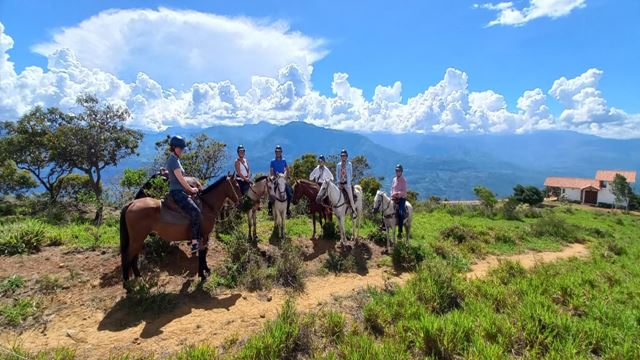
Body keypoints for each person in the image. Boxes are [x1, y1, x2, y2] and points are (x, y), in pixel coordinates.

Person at [166, 136, 201, 254]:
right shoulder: (173, 160)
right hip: (177, 192)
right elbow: (181, 180)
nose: (181, 150)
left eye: (182, 148)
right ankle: (195, 242)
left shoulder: (176, 159)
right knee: (196, 212)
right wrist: (191, 189)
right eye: (179, 148)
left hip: (180, 190)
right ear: (173, 147)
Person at [269, 145, 293, 217]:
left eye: (279, 152)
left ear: (281, 152)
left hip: (283, 179)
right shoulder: (272, 161)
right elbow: (271, 171)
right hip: (276, 179)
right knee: (271, 194)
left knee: (289, 193)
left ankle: (287, 210)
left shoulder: (284, 160)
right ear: (275, 152)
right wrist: (273, 177)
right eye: (277, 152)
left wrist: (288, 176)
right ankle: (270, 209)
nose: (278, 153)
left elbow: (287, 169)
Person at [391, 164, 407, 237]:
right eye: (396, 170)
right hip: (394, 198)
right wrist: (392, 194)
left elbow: (404, 191)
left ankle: (400, 231)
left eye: (398, 171)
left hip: (401, 198)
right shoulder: (394, 179)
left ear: (401, 172)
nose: (397, 172)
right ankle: (384, 225)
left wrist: (397, 194)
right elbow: (392, 189)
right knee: (386, 208)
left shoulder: (403, 180)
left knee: (400, 212)